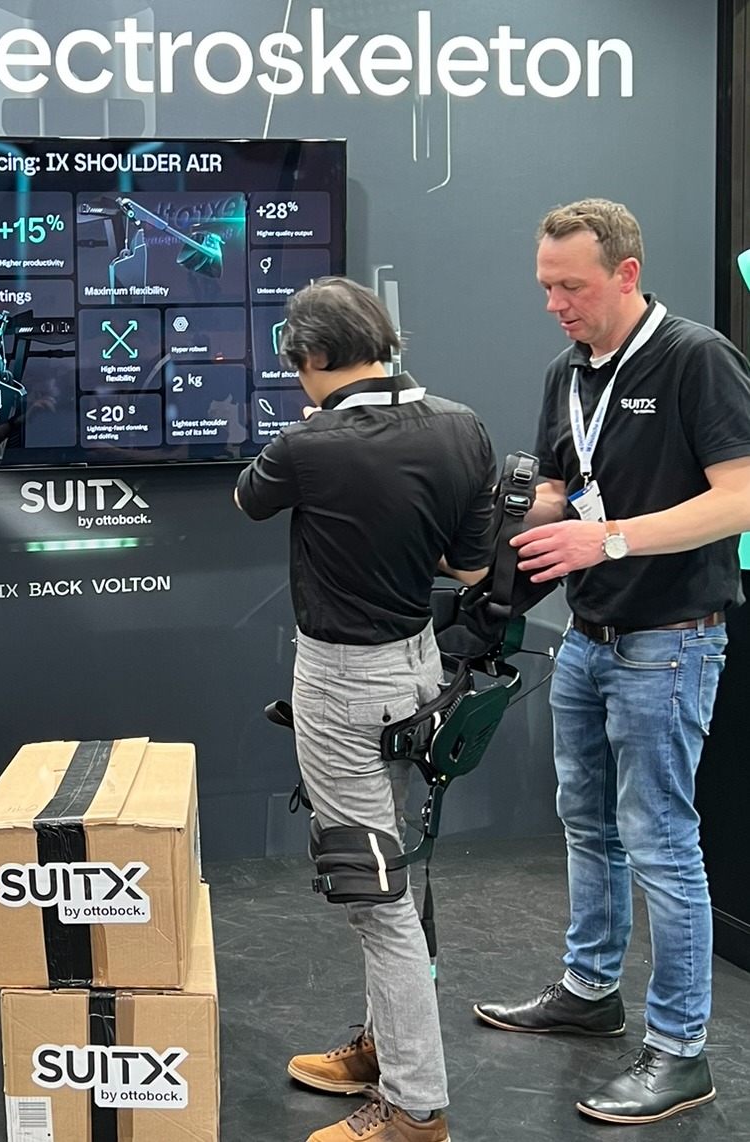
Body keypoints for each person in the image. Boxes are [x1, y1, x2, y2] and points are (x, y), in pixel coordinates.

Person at [473, 198, 750, 1123]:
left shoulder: (696, 359)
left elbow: (740, 500)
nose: (555, 303)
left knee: (662, 844)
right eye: (546, 286)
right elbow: (561, 480)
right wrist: (522, 519)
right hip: (588, 640)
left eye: (572, 287)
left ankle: (681, 1051)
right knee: (587, 826)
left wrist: (613, 542)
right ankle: (589, 992)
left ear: (625, 275)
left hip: (669, 642)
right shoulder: (567, 369)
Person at [235, 277, 496, 1142]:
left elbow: (248, 497)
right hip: (420, 669)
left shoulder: (308, 444)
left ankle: (416, 1108)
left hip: (343, 683)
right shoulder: (462, 425)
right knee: (397, 875)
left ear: (310, 358)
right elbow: (467, 571)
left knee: (372, 895)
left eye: (297, 370)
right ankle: (385, 1048)